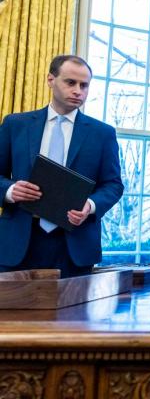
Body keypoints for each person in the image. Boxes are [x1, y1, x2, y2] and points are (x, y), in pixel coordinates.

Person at [0, 55, 123, 278]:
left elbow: (113, 185)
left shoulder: (103, 134)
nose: (78, 91)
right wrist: (10, 191)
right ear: (50, 80)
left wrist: (91, 205)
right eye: (70, 83)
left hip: (75, 246)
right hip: (18, 243)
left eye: (84, 85)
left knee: (72, 314)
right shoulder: (15, 125)